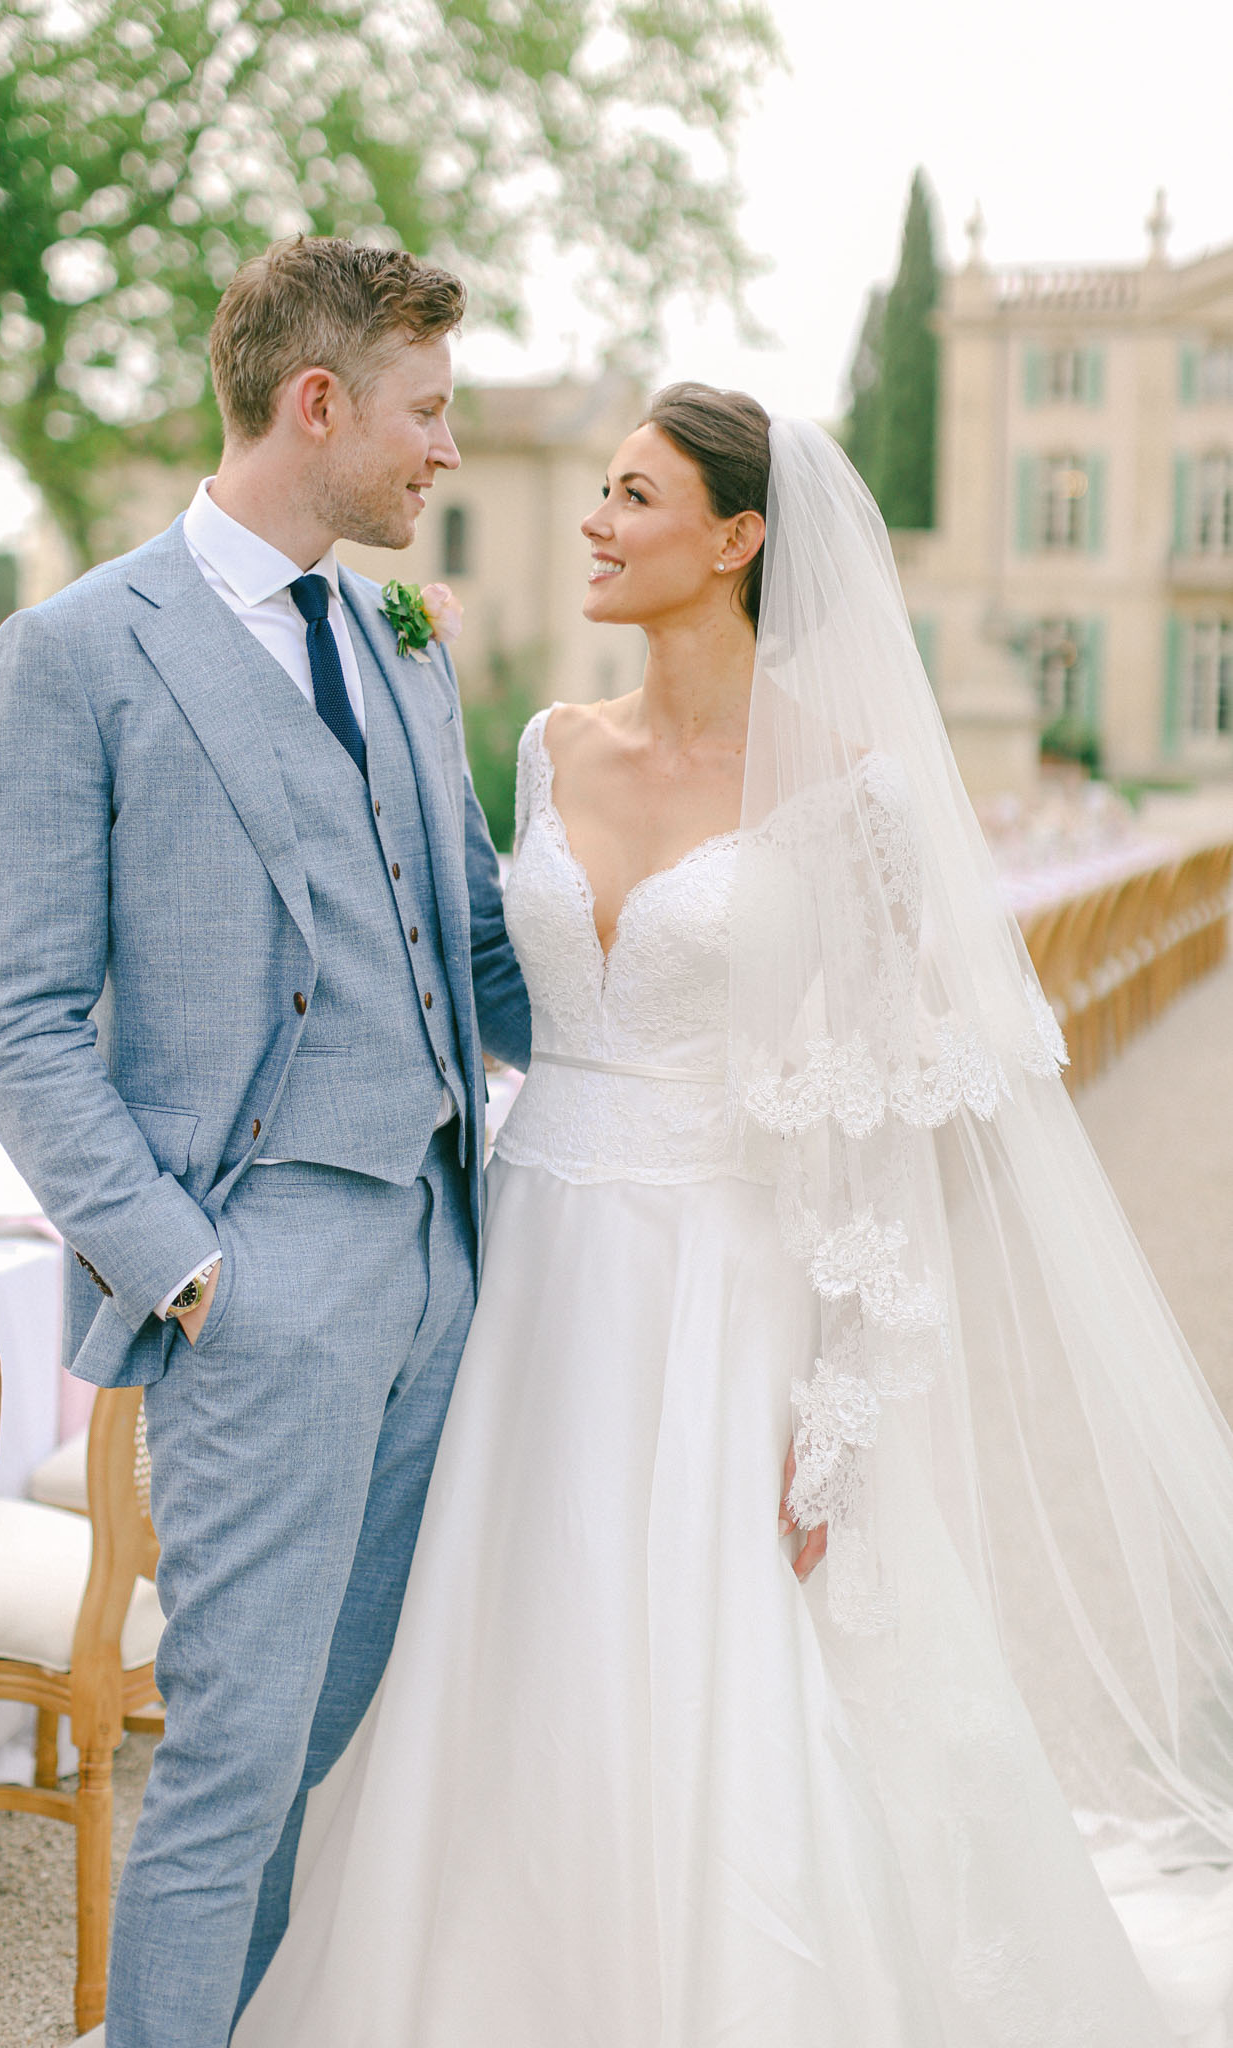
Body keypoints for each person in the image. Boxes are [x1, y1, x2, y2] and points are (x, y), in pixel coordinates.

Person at [235, 387, 1233, 2046]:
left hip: (723, 1277)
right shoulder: (550, 744)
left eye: (633, 496)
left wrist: (837, 1408)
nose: (594, 523)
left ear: (737, 540)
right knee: (516, 1632)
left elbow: (882, 1121)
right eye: (602, 492)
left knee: (718, 1664)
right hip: (536, 1263)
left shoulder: (850, 794)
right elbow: (485, 982)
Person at [0, 235, 530, 2048]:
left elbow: (487, 957)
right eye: (426, 413)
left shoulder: (402, 645)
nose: (445, 451)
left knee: (344, 1752)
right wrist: (192, 1265)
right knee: (226, 1770)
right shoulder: (74, 652)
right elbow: (18, 1016)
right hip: (260, 1289)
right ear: (316, 403)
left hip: (447, 1265)